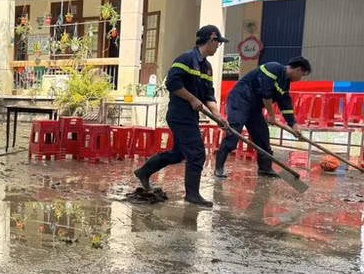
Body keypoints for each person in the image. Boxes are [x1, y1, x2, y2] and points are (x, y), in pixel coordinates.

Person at [133, 25, 229, 208]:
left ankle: (144, 171)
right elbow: (172, 83)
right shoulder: (186, 59)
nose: (218, 46)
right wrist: (192, 99)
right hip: (179, 115)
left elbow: (209, 94)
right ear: (211, 40)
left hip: (190, 116)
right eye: (218, 43)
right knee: (197, 153)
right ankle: (192, 195)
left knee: (179, 153)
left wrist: (218, 115)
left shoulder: (206, 67)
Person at [214, 57, 312, 178]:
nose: (300, 79)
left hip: (254, 107)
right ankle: (218, 168)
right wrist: (270, 115)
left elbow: (285, 104)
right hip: (240, 100)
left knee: (262, 135)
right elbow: (266, 93)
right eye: (302, 75)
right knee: (234, 132)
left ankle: (265, 169)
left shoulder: (285, 83)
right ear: (298, 70)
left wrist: (294, 124)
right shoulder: (273, 67)